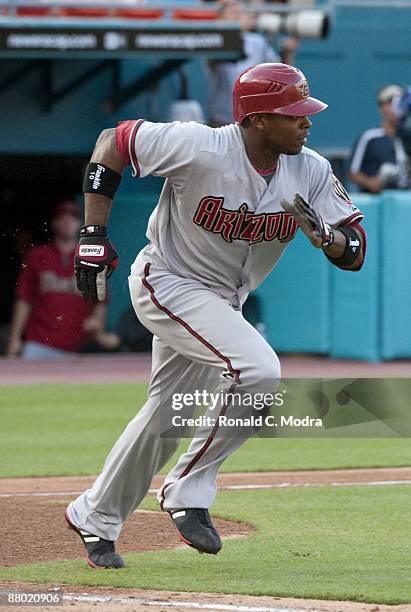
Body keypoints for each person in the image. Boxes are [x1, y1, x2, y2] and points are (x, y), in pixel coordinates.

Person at [66, 63, 366, 569]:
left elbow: (354, 249)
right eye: (294, 115)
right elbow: (110, 143)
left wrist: (330, 239)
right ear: (257, 119)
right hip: (168, 282)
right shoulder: (198, 145)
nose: (307, 123)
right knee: (260, 370)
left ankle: (94, 516)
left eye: (306, 113)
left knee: (167, 415)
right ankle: (188, 490)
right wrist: (93, 234)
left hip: (224, 301)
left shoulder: (310, 168)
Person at [6, 200, 117, 358]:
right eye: (63, 218)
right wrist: (15, 338)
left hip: (75, 347)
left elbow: (101, 300)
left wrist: (97, 322)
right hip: (37, 343)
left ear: (80, 223)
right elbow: (24, 299)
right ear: (54, 223)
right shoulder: (38, 255)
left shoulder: (91, 259)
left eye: (72, 218)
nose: (67, 223)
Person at [208, 0, 298, 127]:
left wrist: (288, 51)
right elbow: (213, 57)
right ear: (221, 18)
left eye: (240, 13)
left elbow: (281, 72)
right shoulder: (215, 40)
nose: (237, 16)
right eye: (232, 13)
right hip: (222, 117)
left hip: (252, 117)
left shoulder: (257, 41)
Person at [349, 84, 408, 194]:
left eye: (400, 102)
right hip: (377, 205)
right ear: (381, 107)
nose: (396, 107)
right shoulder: (369, 137)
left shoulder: (407, 139)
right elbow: (353, 173)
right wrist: (370, 183)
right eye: (390, 102)